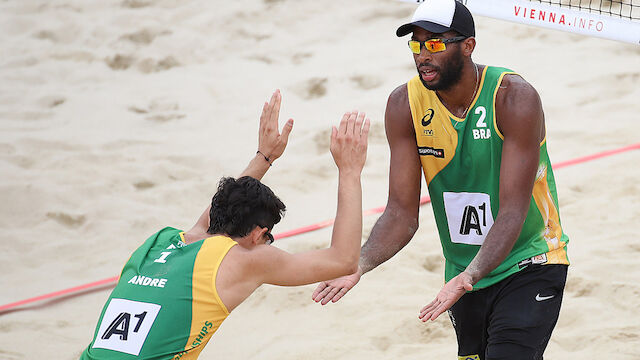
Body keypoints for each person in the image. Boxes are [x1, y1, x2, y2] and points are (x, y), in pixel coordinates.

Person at [312, 1, 569, 359]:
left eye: (434, 44)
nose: (422, 55)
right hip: (461, 275)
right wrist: (359, 264)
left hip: (528, 262)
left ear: (468, 45)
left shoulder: (513, 98)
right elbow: (402, 213)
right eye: (416, 45)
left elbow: (512, 210)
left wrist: (471, 275)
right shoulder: (404, 104)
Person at [80, 90, 370, 359]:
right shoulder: (242, 260)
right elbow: (343, 260)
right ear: (259, 234)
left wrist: (264, 157)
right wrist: (349, 171)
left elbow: (213, 215)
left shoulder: (160, 240)